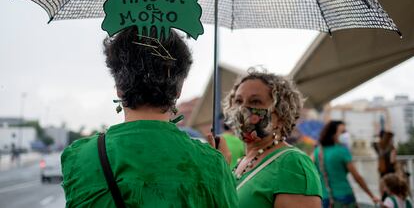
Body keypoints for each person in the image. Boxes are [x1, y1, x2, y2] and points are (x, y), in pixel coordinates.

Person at [61, 27, 237, 207]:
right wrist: (221, 170)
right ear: (178, 90)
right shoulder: (211, 163)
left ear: (119, 88)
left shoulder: (79, 157)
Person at [223, 68, 322, 208]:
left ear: (281, 114)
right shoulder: (242, 162)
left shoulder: (292, 164)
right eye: (238, 101)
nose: (242, 109)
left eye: (255, 101)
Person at [314, 120, 380, 208]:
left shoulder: (318, 151)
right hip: (344, 198)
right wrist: (372, 196)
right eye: (343, 132)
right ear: (333, 134)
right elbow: (357, 177)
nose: (346, 135)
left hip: (325, 198)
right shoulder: (342, 151)